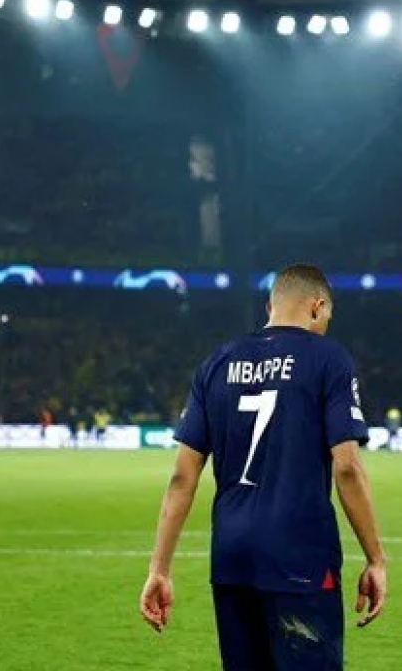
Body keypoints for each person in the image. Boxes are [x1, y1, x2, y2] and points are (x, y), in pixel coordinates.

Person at [139, 263, 387, 670]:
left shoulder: (216, 363)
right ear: (317, 306)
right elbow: (346, 468)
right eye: (327, 316)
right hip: (299, 557)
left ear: (270, 306)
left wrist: (159, 569)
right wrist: (375, 558)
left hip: (231, 558)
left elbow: (182, 477)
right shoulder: (330, 359)